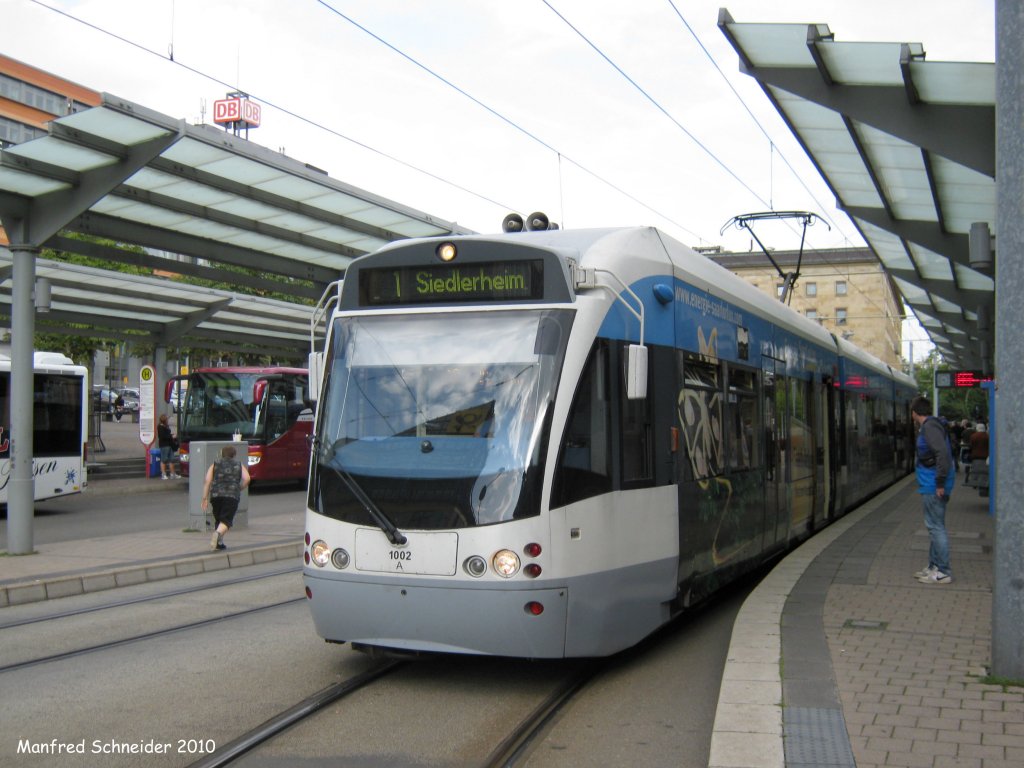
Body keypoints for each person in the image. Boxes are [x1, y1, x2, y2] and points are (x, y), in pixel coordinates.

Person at [910, 396, 955, 585]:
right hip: (931, 482)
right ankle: (933, 567)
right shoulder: (931, 426)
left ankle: (943, 571)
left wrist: (939, 483)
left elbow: (942, 454)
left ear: (915, 412)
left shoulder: (929, 427)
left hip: (933, 484)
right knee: (934, 527)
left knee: (936, 527)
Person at [201, 445, 251, 550]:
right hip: (231, 495)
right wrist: (239, 488)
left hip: (215, 495)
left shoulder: (214, 465)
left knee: (219, 519)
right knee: (226, 520)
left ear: (222, 454)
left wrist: (204, 498)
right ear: (234, 455)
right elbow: (247, 479)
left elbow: (207, 481)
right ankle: (217, 534)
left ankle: (219, 543)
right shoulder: (239, 465)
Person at [156, 414, 180, 480]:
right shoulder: (160, 427)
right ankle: (163, 474)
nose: (167, 420)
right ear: (164, 420)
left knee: (171, 459)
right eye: (167, 419)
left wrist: (172, 435)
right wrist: (171, 436)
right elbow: (162, 436)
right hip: (164, 445)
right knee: (164, 459)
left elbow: (167, 435)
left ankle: (173, 473)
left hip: (169, 444)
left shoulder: (166, 426)